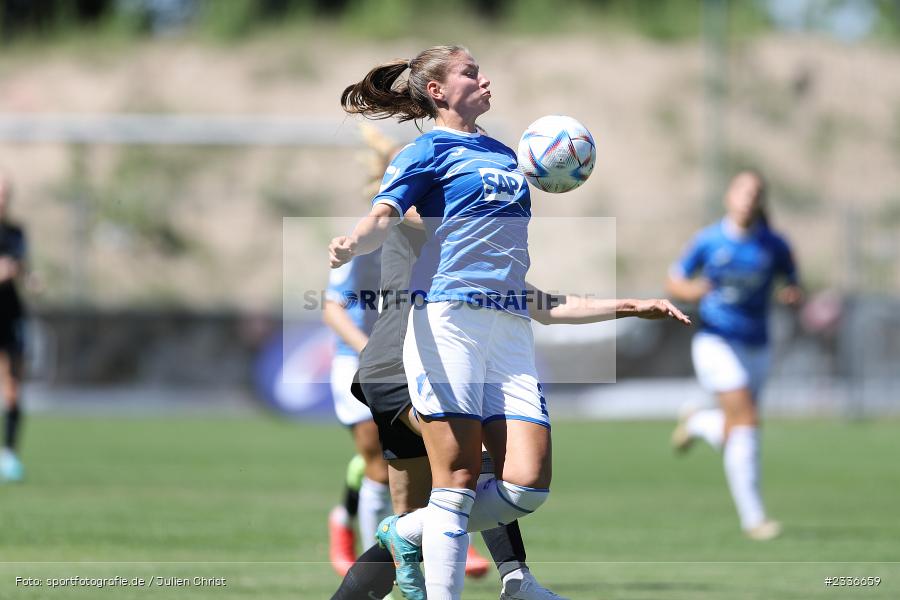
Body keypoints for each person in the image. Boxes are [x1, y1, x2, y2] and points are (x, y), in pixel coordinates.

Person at [329, 45, 690, 600]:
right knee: (455, 484)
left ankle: (406, 532)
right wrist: (353, 242)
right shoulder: (425, 151)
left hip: (509, 327)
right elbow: (382, 215)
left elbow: (531, 295)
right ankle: (489, 577)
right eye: (470, 72)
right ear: (438, 91)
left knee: (528, 484)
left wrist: (626, 304)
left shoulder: (506, 157)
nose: (484, 78)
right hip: (447, 322)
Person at [666, 169, 802, 541]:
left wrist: (792, 293)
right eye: (742, 190)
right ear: (729, 196)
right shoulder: (709, 241)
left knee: (737, 432)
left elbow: (793, 281)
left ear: (761, 201)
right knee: (747, 422)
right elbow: (675, 280)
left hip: (757, 344)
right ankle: (754, 519)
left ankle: (697, 423)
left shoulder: (773, 244)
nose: (748, 197)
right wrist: (692, 291)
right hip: (716, 342)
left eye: (755, 192)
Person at [0, 173, 28, 483]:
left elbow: (21, 267)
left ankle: (8, 454)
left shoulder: (15, 233)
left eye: (6, 194)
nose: (2, 200)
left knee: (12, 386)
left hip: (9, 316)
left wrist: (29, 278)